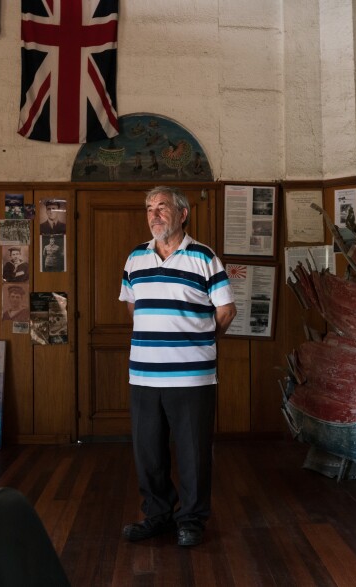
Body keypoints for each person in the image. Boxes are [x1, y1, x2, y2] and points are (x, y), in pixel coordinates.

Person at [118, 186, 236, 548]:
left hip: (192, 377)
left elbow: (226, 311)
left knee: (193, 452)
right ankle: (157, 515)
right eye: (149, 208)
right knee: (148, 452)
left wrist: (194, 342)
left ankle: (192, 520)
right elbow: (132, 307)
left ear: (182, 214)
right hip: (144, 376)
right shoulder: (135, 258)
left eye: (162, 207)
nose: (155, 214)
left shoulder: (204, 257)